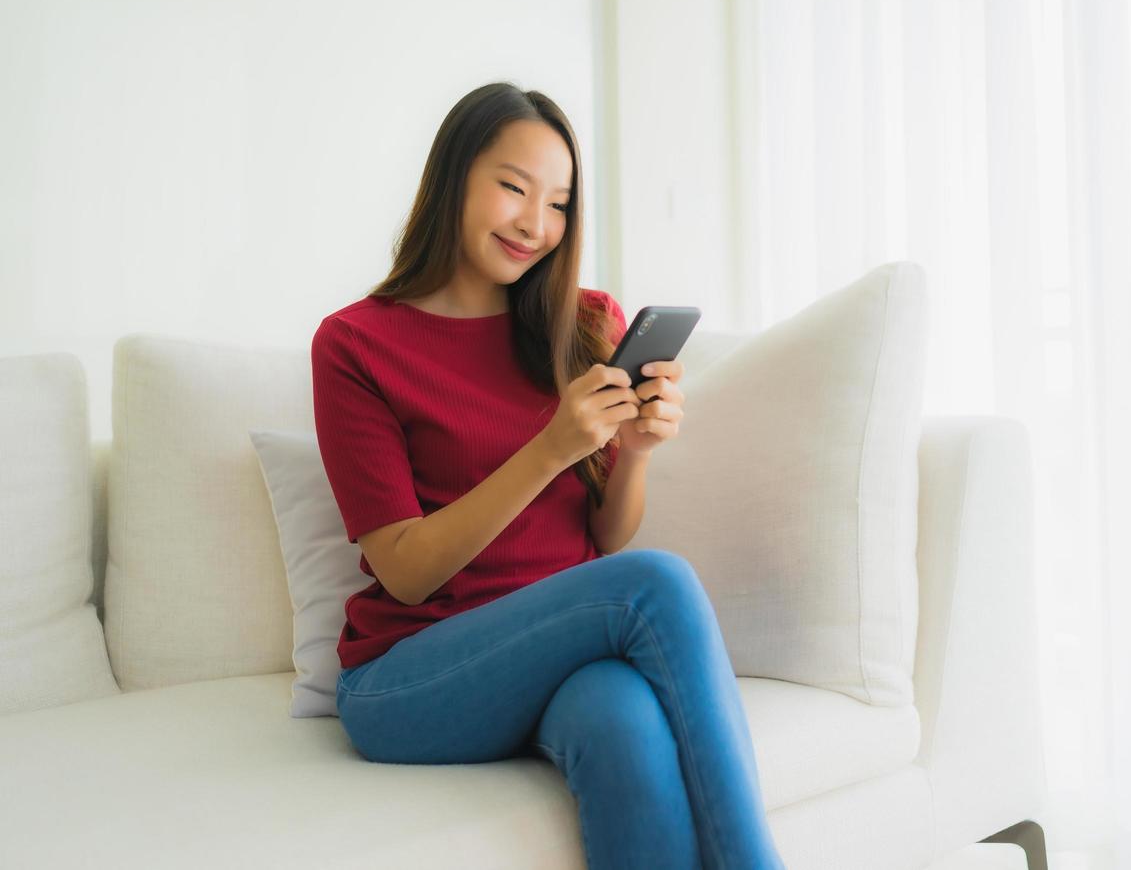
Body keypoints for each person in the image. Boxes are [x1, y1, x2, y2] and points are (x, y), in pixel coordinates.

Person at [310, 82, 786, 870]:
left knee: (622, 720)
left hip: (559, 657)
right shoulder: (355, 345)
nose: (537, 224)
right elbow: (406, 572)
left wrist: (631, 451)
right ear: (453, 178)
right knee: (653, 582)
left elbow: (601, 535)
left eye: (560, 202)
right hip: (412, 679)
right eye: (512, 188)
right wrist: (551, 446)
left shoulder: (585, 320)